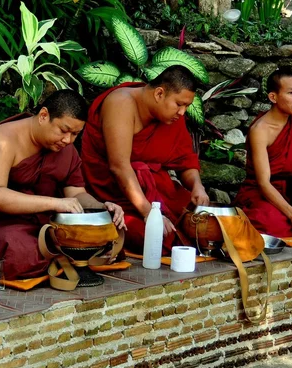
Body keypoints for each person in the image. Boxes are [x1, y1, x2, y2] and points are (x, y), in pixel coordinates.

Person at [0, 90, 126, 281]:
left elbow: (76, 193)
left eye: (75, 134)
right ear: (44, 116)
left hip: (42, 226)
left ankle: (61, 259)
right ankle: (62, 261)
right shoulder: (4, 139)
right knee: (20, 249)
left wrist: (102, 207)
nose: (68, 140)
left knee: (97, 238)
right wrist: (55, 203)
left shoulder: (66, 150)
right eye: (63, 130)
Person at [80, 65, 209, 254]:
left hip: (159, 192)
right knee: (155, 238)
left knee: (206, 225)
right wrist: (150, 214)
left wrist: (197, 185)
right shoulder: (121, 103)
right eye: (179, 104)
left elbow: (184, 160)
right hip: (117, 197)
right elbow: (119, 167)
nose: (182, 113)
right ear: (159, 94)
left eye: (187, 107)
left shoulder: (171, 117)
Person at [234, 68, 292, 238]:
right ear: (273, 97)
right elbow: (264, 183)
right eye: (291, 93)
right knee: (272, 225)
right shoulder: (260, 131)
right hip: (263, 193)